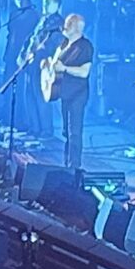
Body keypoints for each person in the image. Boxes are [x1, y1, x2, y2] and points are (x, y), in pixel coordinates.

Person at [45, 10, 94, 169]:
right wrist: (47, 66)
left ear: (75, 28)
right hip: (64, 92)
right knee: (66, 132)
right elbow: (55, 64)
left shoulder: (85, 46)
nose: (64, 27)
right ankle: (67, 164)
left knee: (75, 133)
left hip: (77, 94)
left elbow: (84, 72)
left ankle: (74, 167)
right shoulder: (64, 44)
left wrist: (65, 68)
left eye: (68, 24)